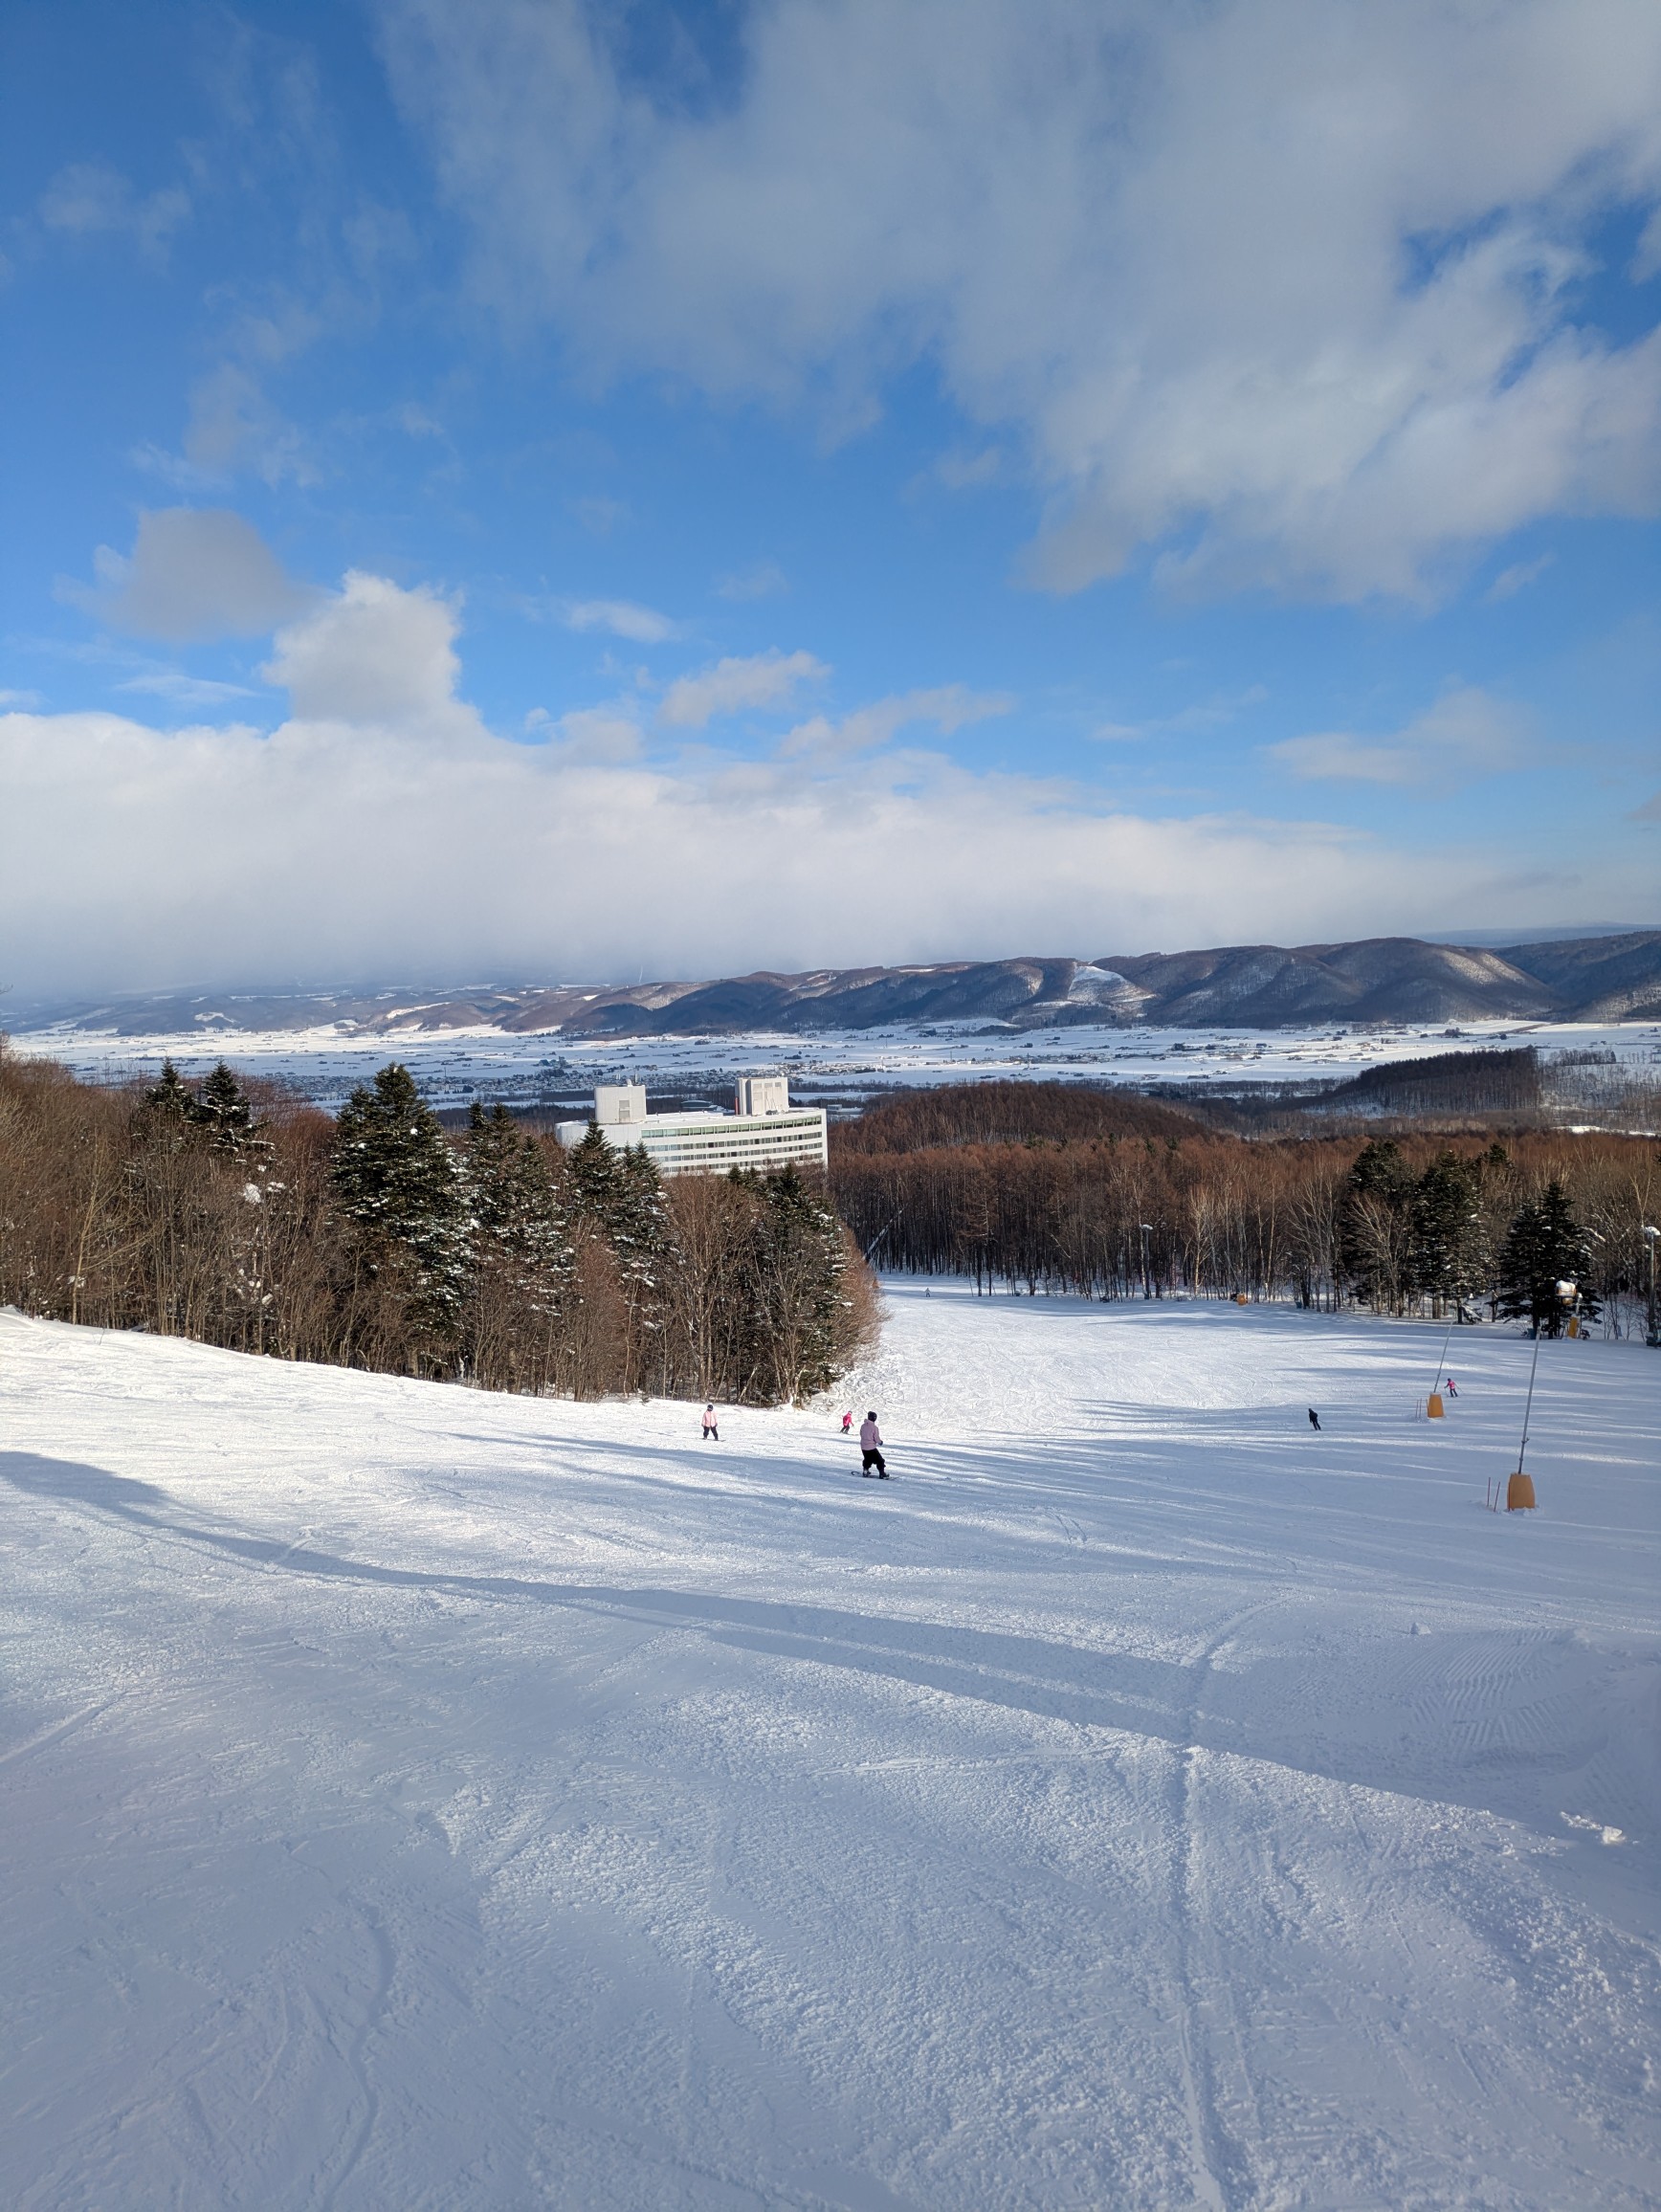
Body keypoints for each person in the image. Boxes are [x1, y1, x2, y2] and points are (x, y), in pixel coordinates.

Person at [859, 1411, 887, 1477]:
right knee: (880, 1460)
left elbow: (861, 1434)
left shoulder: (863, 1426)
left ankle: (865, 1470)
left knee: (867, 1459)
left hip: (863, 1447)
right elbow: (876, 1438)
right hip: (871, 1447)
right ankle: (882, 1474)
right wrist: (880, 1442)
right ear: (874, 1418)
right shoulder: (874, 1428)